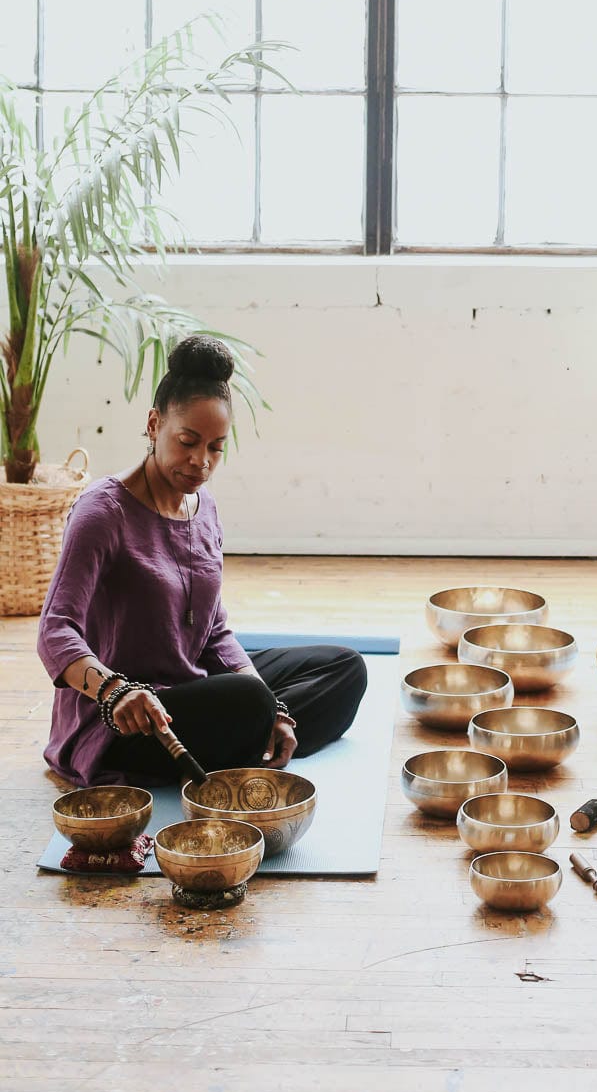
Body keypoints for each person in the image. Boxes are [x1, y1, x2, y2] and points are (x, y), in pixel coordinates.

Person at [38, 335, 367, 788]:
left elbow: (212, 629)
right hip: (122, 718)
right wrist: (115, 691)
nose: (201, 462)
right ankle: (248, 739)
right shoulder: (102, 512)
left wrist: (276, 707)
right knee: (248, 701)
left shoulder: (204, 507)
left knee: (344, 669)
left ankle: (259, 736)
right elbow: (56, 630)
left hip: (194, 688)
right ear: (154, 425)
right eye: (188, 441)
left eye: (215, 447)